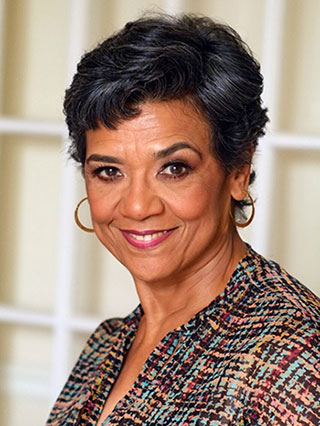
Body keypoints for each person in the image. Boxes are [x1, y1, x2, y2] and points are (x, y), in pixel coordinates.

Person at [47, 13, 320, 425]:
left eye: (174, 168)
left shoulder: (291, 359)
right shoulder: (104, 346)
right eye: (108, 171)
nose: (137, 207)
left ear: (238, 171)